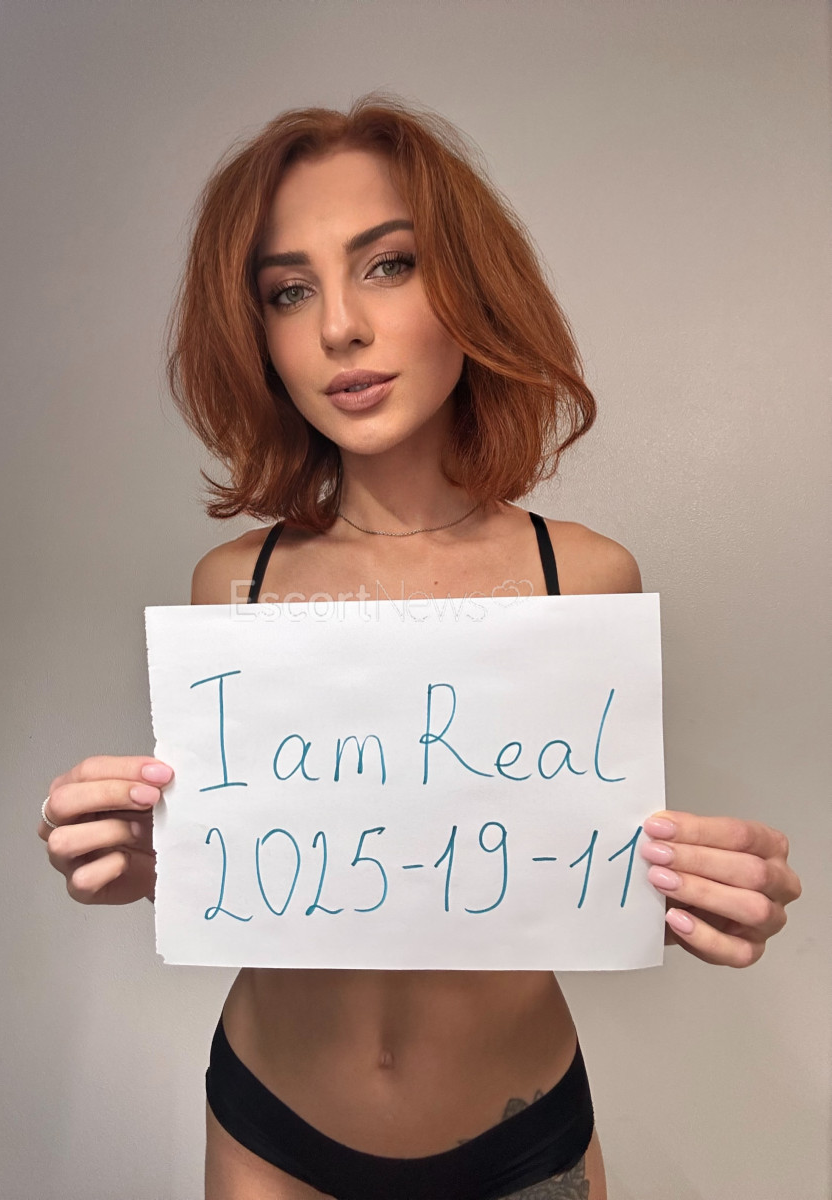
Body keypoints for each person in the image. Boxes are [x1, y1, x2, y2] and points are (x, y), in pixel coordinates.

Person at [39, 95, 801, 1200]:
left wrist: (703, 892)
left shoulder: (584, 576)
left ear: (469, 288)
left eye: (387, 265)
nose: (339, 327)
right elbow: (249, 855)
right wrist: (140, 851)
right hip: (273, 1130)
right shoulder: (234, 587)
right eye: (289, 290)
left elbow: (579, 860)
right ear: (258, 335)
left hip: (517, 1131)